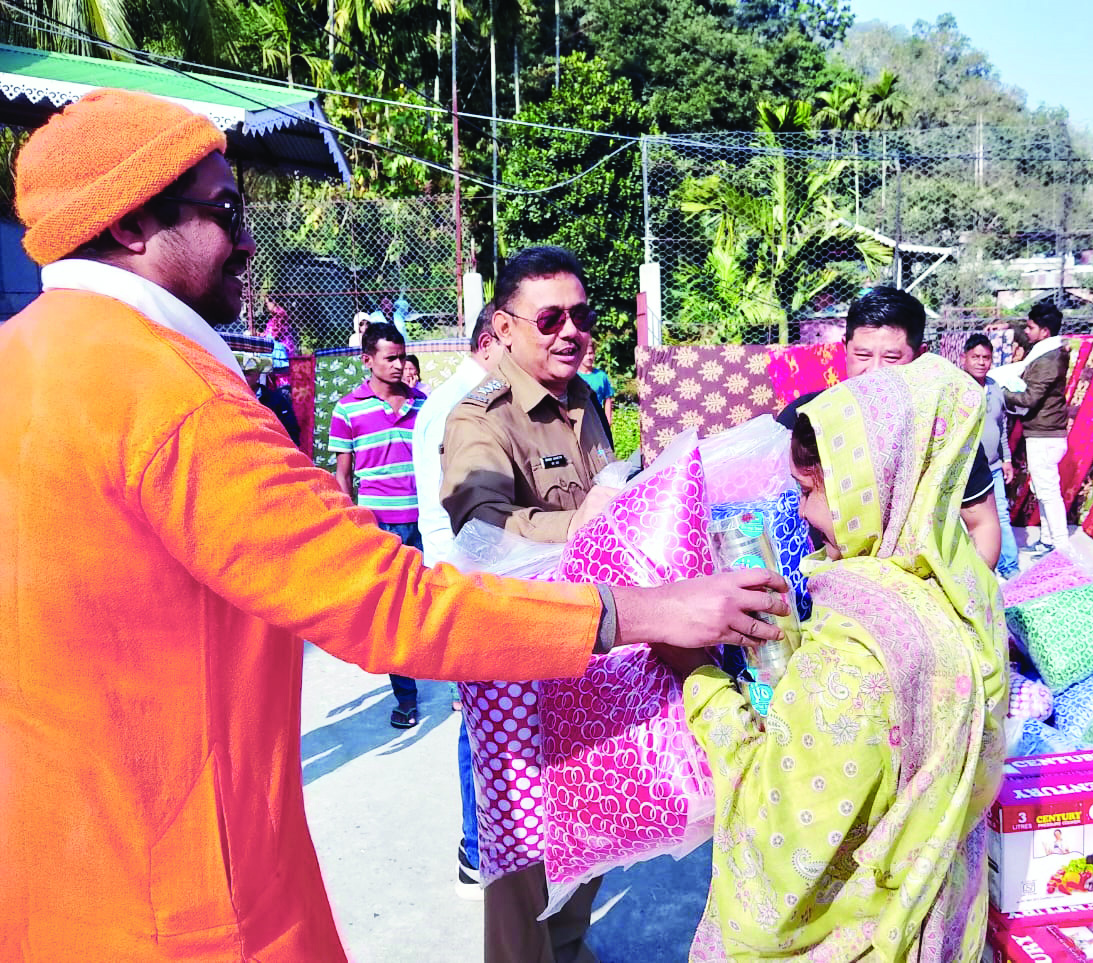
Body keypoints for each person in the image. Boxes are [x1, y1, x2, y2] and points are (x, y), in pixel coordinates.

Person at [0, 89, 792, 961]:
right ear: (127, 226)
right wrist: (649, 611)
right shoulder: (170, 394)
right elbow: (389, 603)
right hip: (178, 897)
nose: (250, 239)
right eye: (226, 210)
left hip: (54, 875)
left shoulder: (25, 359)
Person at [666, 354, 1007, 962]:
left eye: (808, 491)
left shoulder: (856, 654)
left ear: (866, 487)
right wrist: (790, 647)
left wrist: (696, 675)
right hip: (940, 924)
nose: (800, 512)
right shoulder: (963, 594)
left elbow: (779, 840)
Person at [440, 246, 615, 963]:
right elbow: (482, 532)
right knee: (523, 858)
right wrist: (589, 522)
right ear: (505, 328)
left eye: (581, 315)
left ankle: (570, 950)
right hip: (517, 665)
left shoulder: (586, 401)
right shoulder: (481, 418)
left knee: (591, 825)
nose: (569, 330)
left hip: (590, 648)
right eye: (550, 318)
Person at [777, 286, 1002, 570]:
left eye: (892, 358)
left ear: (920, 356)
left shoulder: (943, 432)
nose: (874, 371)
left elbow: (982, 525)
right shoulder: (805, 419)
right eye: (862, 355)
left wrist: (966, 601)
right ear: (845, 347)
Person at [411, 303, 503, 901]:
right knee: (481, 723)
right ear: (496, 339)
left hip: (467, 572)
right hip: (467, 576)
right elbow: (468, 516)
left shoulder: (461, 398)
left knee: (486, 719)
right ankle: (476, 851)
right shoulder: (462, 405)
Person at [329, 321, 428, 729]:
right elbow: (342, 475)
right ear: (367, 360)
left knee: (435, 601)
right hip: (378, 525)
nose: (399, 364)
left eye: (402, 356)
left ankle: (460, 685)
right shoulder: (347, 409)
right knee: (392, 611)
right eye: (390, 358)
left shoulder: (425, 405)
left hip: (424, 522)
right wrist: (349, 526)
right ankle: (406, 697)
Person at [1000, 300, 1070, 556]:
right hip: (1043, 432)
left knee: (1048, 492)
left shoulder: (1048, 359)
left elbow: (1030, 398)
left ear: (1045, 331)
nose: (1027, 332)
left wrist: (1002, 392)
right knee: (1043, 490)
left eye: (1030, 327)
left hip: (1045, 434)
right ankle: (1050, 541)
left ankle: (1061, 548)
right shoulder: (1046, 355)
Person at [962, 333, 1019, 579]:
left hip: (994, 466)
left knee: (1001, 517)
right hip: (966, 469)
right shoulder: (957, 387)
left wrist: (1006, 459)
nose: (981, 362)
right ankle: (975, 573)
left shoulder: (995, 388)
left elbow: (1001, 426)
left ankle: (1010, 570)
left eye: (986, 357)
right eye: (975, 357)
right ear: (964, 358)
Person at [243, 354, 302, 446]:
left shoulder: (276, 400)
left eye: (248, 374)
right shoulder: (228, 397)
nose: (243, 377)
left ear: (258, 375)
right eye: (241, 373)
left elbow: (291, 429)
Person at [577, 337, 614, 425]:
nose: (589, 357)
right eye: (585, 354)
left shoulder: (601, 376)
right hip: (579, 421)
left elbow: (608, 399)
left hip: (597, 421)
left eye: (591, 353)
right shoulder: (574, 376)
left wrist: (608, 421)